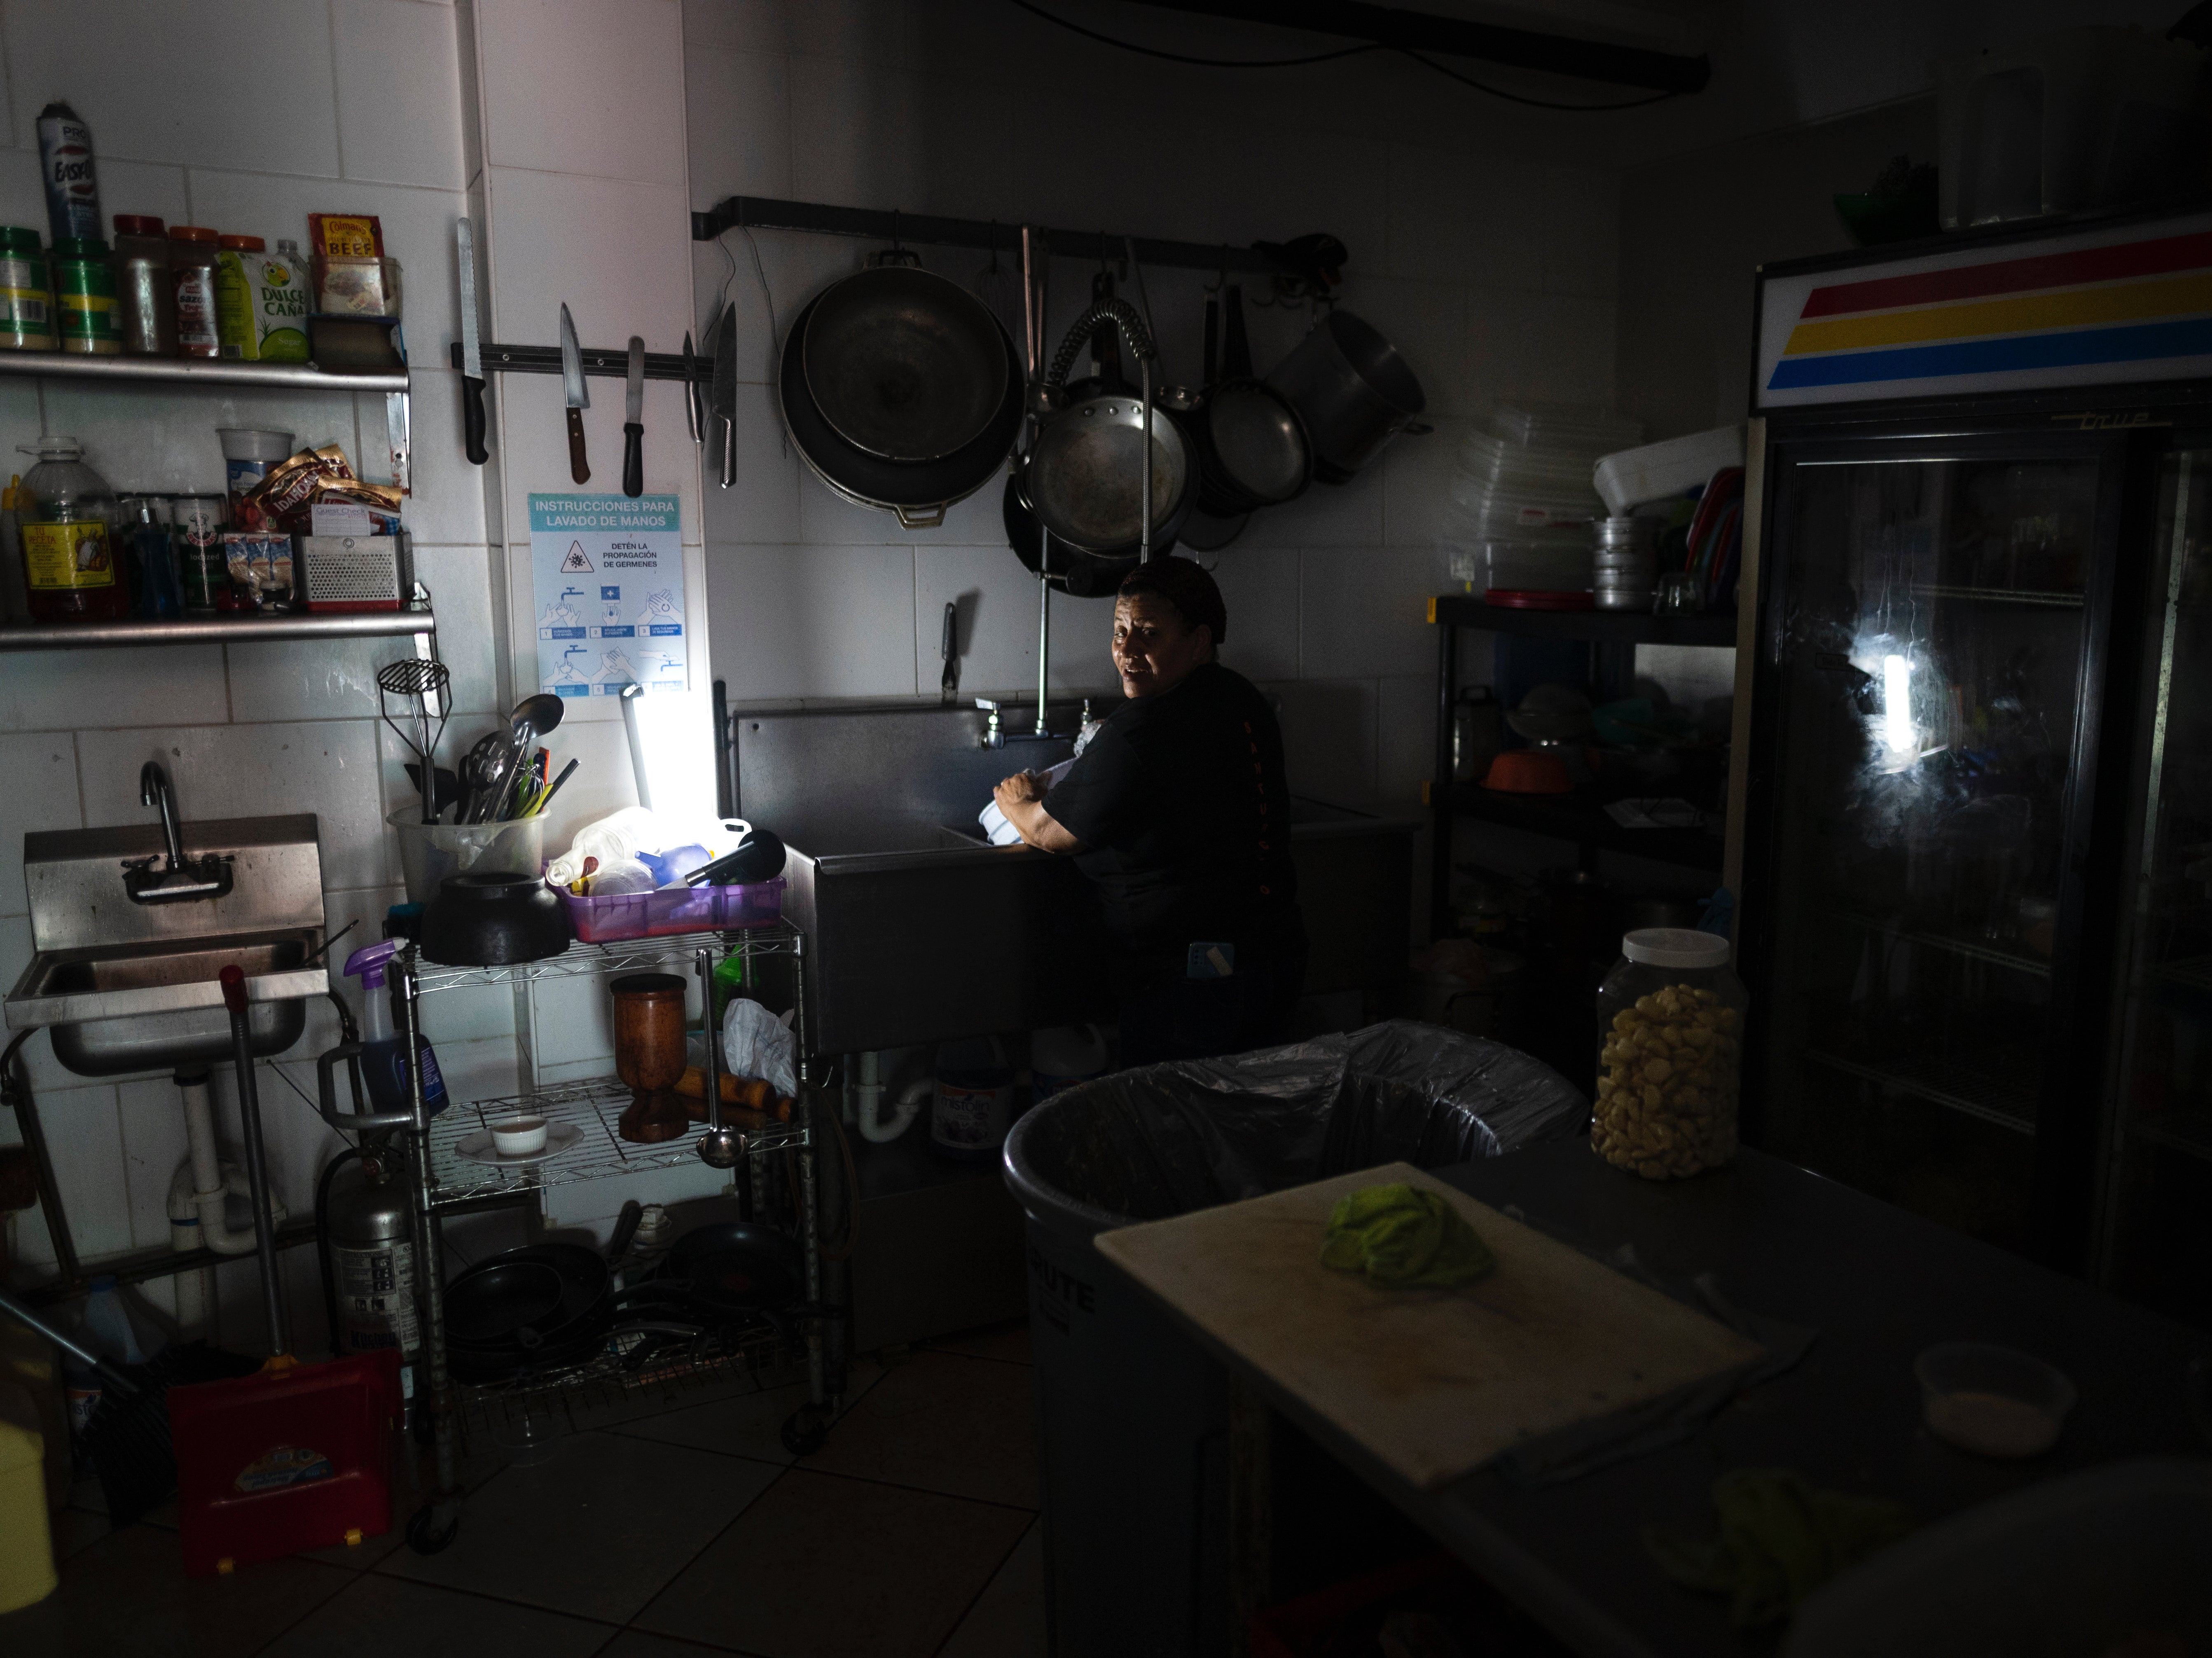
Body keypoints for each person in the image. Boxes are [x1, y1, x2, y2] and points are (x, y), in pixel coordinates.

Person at [992, 557, 1306, 1064]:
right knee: (1245, 1124)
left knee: (1175, 1128)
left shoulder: (1142, 730)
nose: (1127, 651)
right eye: (1120, 631)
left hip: (1190, 982)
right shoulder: (1243, 700)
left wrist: (1015, 801)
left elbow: (1049, 832)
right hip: (1271, 958)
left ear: (1200, 641)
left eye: (1149, 634)